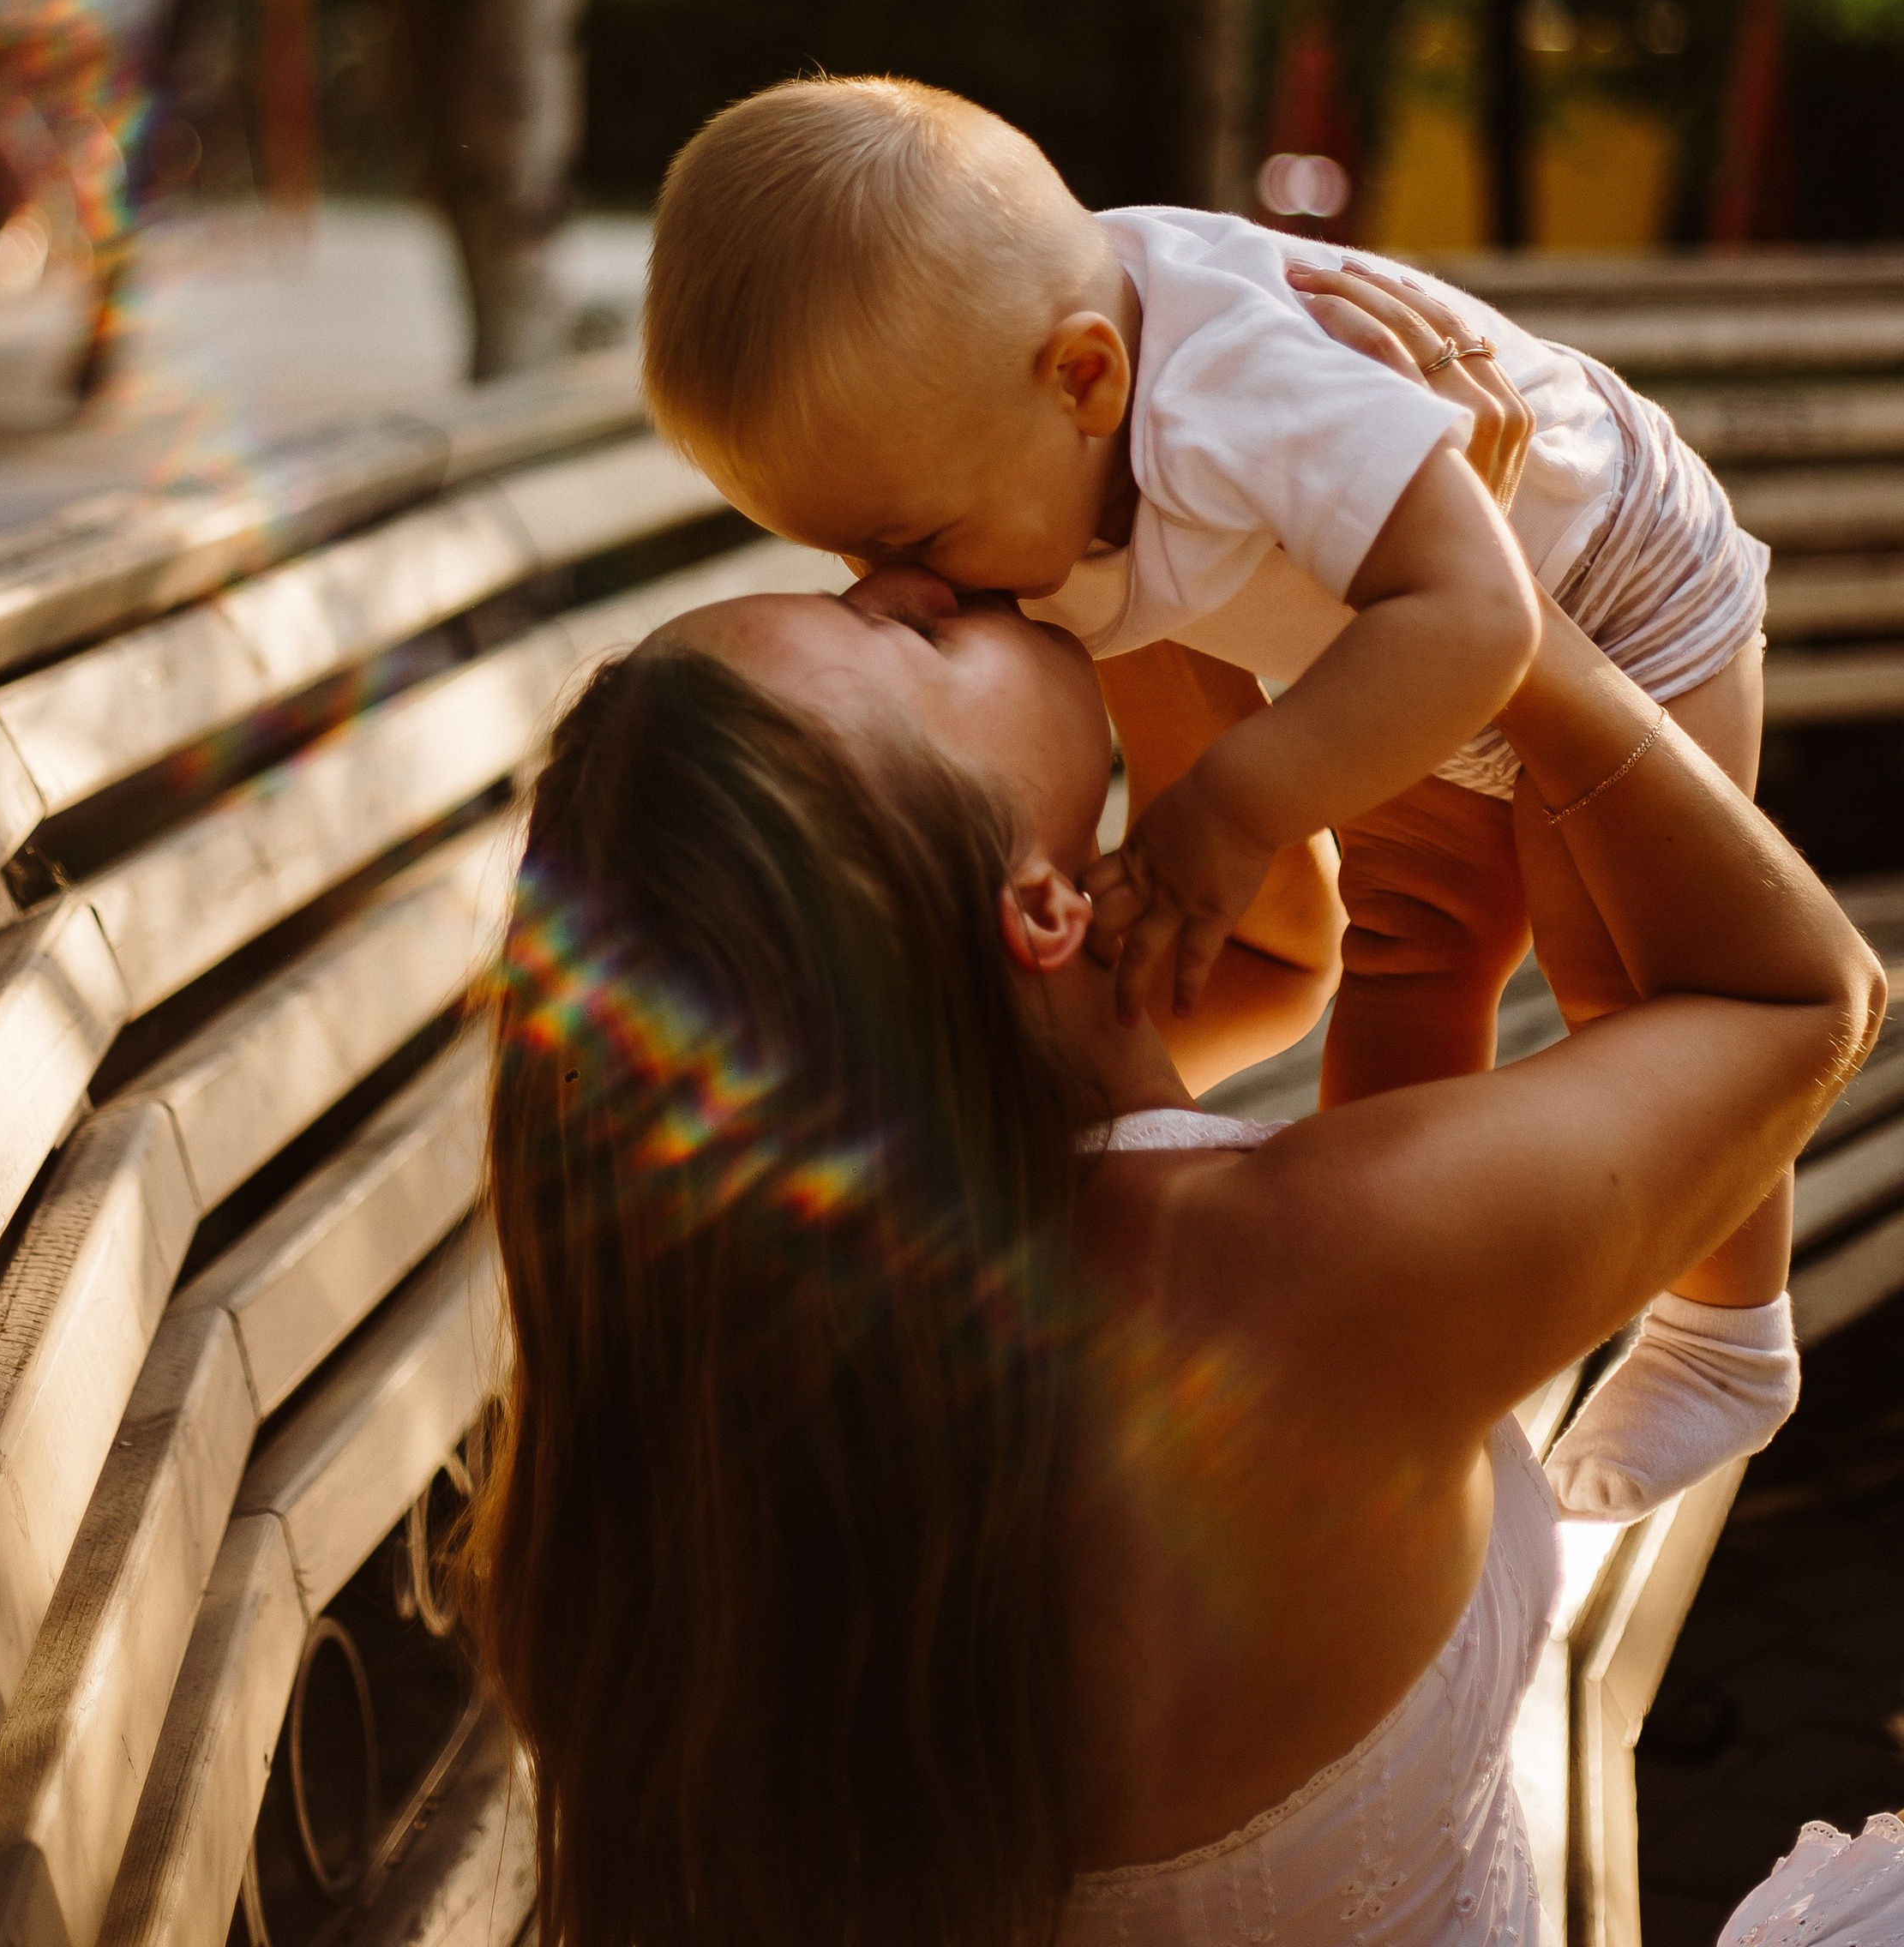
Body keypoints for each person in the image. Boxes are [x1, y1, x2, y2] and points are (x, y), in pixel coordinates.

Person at [468, 274, 1891, 1947]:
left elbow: (1282, 956)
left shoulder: (735, 1391)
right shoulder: (1299, 1276)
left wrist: (1120, 559)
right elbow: (1797, 997)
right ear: (1042, 918)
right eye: (906, 633)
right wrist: (1496, 619)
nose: (908, 575)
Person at [639, 73, 1787, 1520]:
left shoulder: (1239, 388)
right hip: (1390, 642)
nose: (905, 585)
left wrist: (1234, 811)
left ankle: (1728, 1333)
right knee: (1412, 953)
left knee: (1629, 981)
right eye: (855, 564)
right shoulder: (1019, 421)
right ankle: (1413, 1323)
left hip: (1607, 599)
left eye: (906, 540)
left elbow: (1485, 615)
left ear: (1086, 378)